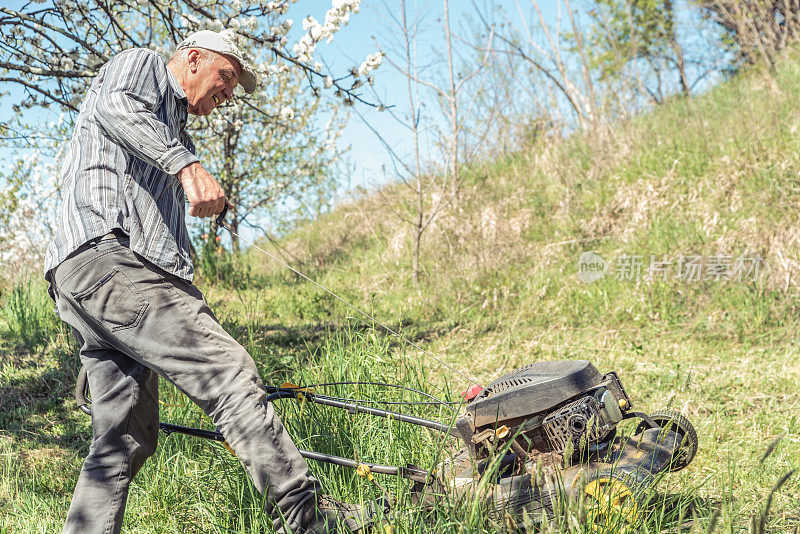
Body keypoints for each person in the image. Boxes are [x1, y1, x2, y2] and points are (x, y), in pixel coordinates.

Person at [44, 30, 363, 534]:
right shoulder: (141, 66)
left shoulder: (175, 133)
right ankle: (308, 520)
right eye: (225, 78)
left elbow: (160, 238)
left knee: (122, 438)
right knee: (228, 372)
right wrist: (187, 167)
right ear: (193, 59)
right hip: (108, 259)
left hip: (89, 278)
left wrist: (188, 287)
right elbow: (115, 105)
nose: (227, 95)